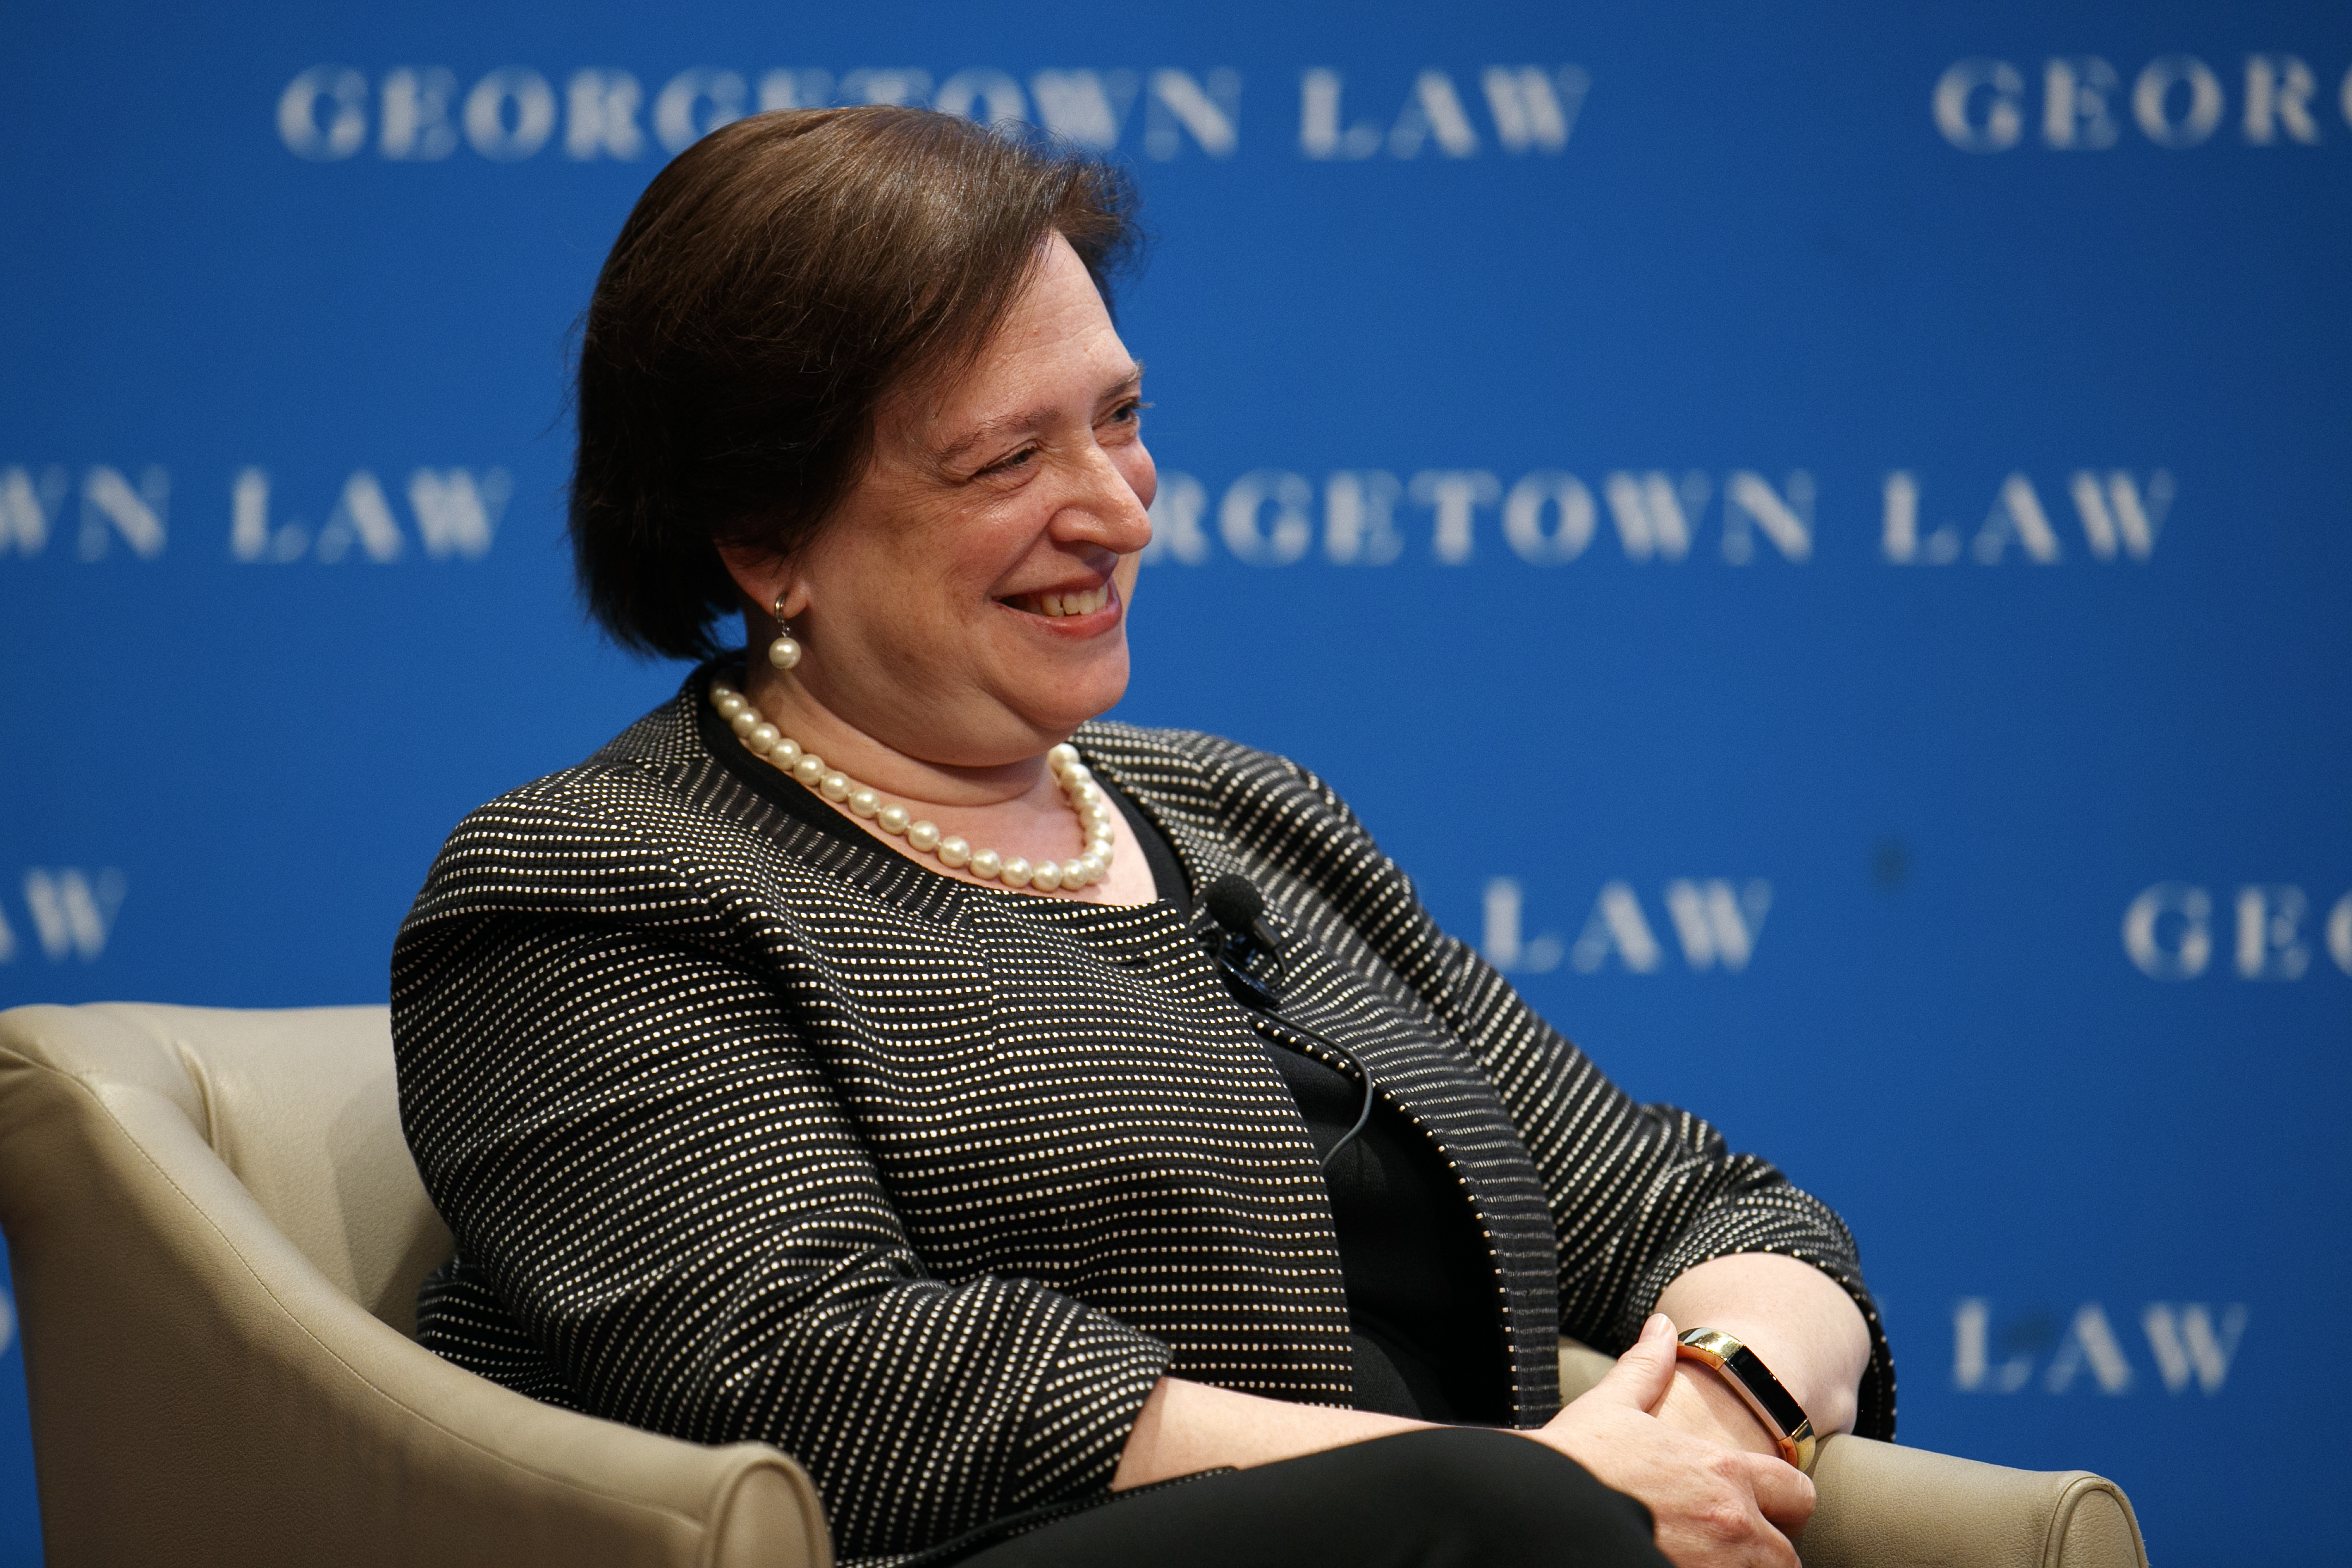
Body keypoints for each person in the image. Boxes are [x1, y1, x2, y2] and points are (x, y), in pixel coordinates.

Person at [391, 105, 1892, 1568]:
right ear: (768, 538)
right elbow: (819, 1370)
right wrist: (1537, 1488)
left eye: (1120, 420)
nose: (1117, 512)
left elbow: (1702, 1205)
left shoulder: (1241, 811)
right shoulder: (595, 885)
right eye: (1007, 462)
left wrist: (1716, 1410)